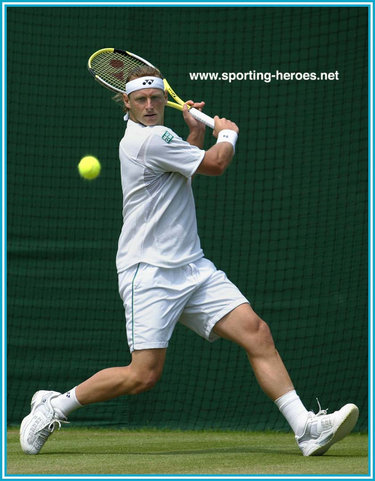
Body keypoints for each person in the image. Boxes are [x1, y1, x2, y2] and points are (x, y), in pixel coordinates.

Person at [20, 65, 359, 457]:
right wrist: (228, 134)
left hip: (193, 267)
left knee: (257, 332)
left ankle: (306, 428)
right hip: (149, 272)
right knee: (142, 376)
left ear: (164, 99)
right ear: (126, 103)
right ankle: (53, 406)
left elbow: (187, 165)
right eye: (141, 100)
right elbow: (214, 164)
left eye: (156, 98)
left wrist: (196, 133)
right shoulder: (148, 139)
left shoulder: (161, 139)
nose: (149, 105)